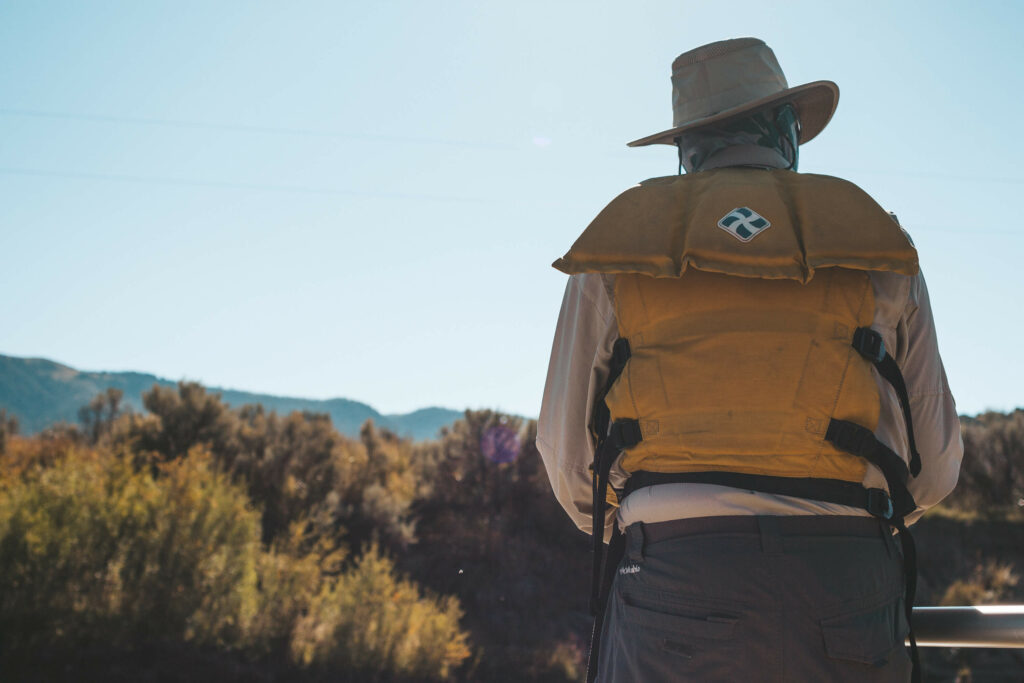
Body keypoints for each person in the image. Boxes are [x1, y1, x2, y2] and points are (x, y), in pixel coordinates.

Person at [537, 37, 963, 683]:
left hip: (669, 583)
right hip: (845, 586)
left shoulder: (623, 242)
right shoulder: (875, 238)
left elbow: (566, 460)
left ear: (686, 148)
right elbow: (934, 466)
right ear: (788, 131)